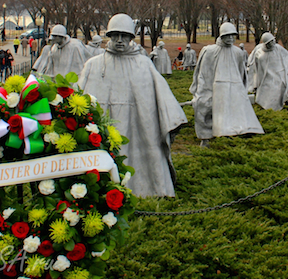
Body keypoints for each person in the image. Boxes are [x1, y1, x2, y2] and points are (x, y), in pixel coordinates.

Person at [79, 14, 187, 197]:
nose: (120, 40)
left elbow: (162, 97)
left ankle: (148, 189)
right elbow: (79, 99)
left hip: (138, 128)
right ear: (109, 36)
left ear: (131, 37)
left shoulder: (143, 64)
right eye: (115, 35)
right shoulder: (93, 65)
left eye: (125, 36)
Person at [189, 22, 264, 147]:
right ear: (221, 36)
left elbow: (242, 73)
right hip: (212, 87)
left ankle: (233, 136)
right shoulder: (209, 51)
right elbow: (204, 74)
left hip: (233, 88)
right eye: (227, 35)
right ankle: (205, 137)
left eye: (232, 36)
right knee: (205, 107)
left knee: (235, 112)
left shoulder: (238, 53)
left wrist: (241, 90)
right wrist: (202, 91)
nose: (230, 39)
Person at [249, 32, 288, 111]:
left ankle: (280, 107)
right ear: (266, 44)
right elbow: (256, 69)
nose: (272, 44)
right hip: (267, 77)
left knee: (280, 89)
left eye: (273, 41)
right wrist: (255, 82)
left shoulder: (279, 49)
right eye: (269, 42)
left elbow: (287, 59)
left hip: (279, 74)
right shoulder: (260, 53)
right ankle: (269, 109)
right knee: (267, 92)